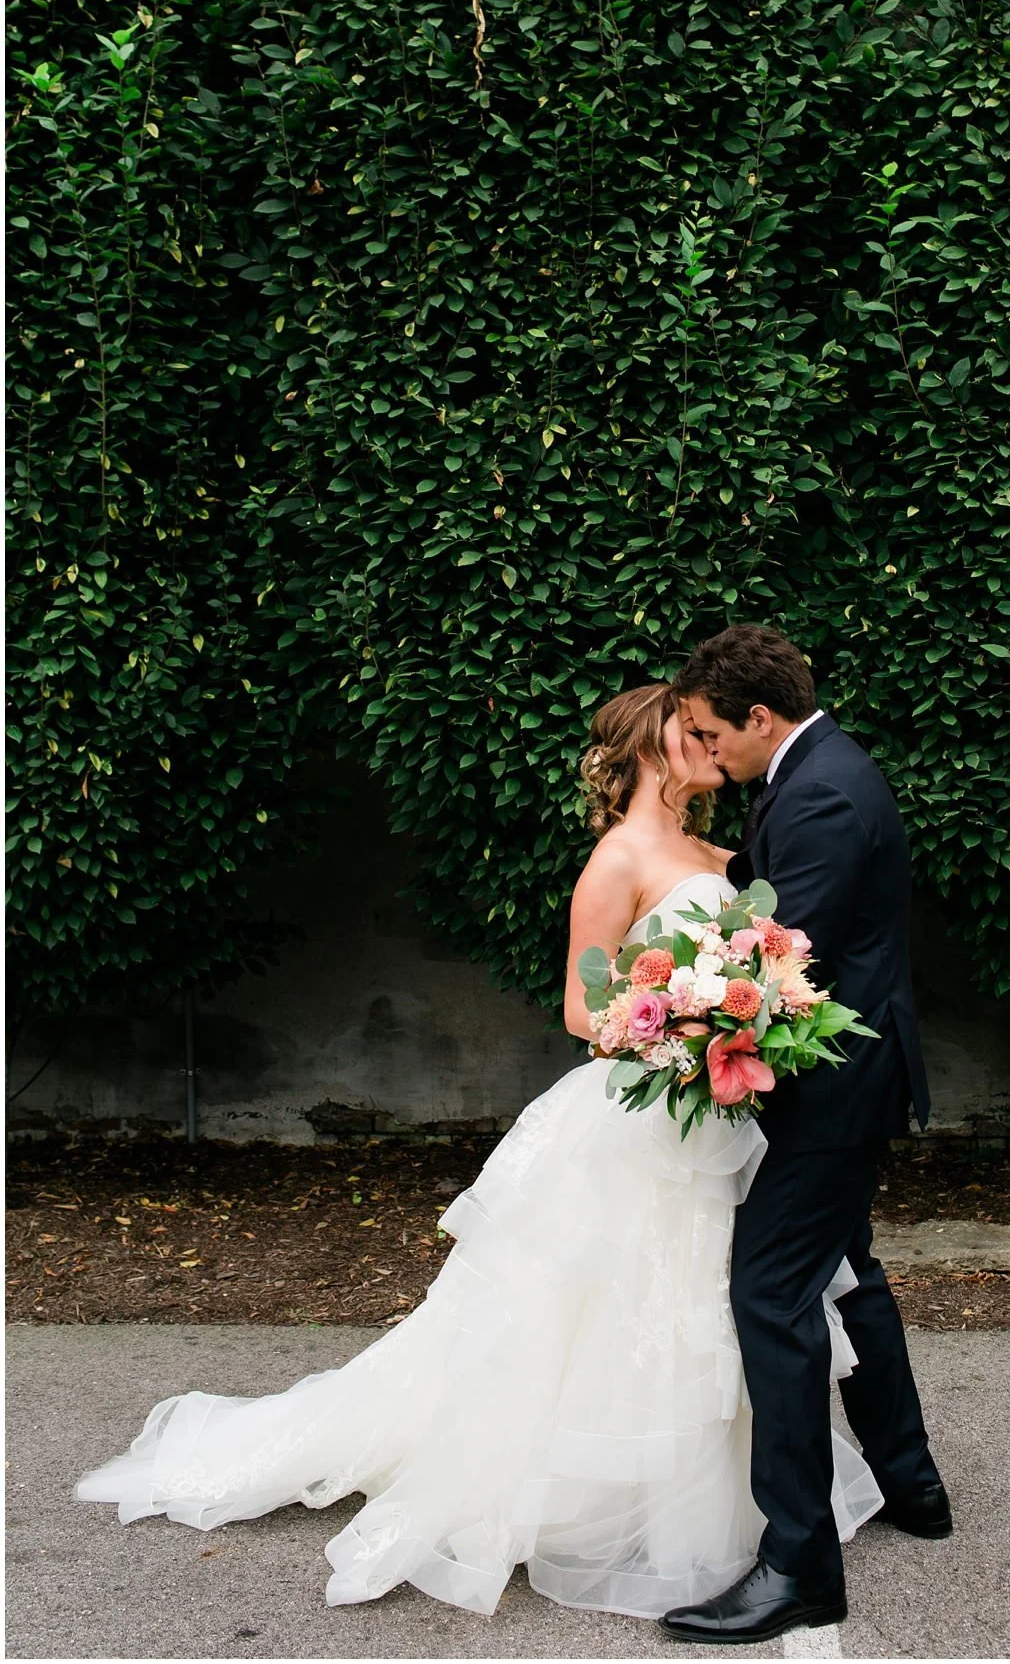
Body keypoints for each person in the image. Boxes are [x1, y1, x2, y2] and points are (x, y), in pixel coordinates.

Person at [74, 681, 883, 1619]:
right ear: (649, 744)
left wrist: (729, 1018)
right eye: (688, 727)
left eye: (709, 727)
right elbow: (583, 1005)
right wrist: (672, 1026)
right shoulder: (617, 859)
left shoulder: (722, 851)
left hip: (710, 1118)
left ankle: (724, 1502)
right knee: (592, 1309)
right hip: (636, 1114)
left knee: (706, 1299)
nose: (705, 739)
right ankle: (589, 1493)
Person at [664, 624, 949, 1644]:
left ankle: (797, 1563)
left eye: (709, 732)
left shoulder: (822, 786)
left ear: (758, 717)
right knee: (848, 1270)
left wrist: (687, 1010)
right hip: (849, 1081)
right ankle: (912, 1485)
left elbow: (785, 955)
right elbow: (770, 886)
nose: (707, 751)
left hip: (834, 1091)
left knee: (771, 1290)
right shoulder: (815, 771)